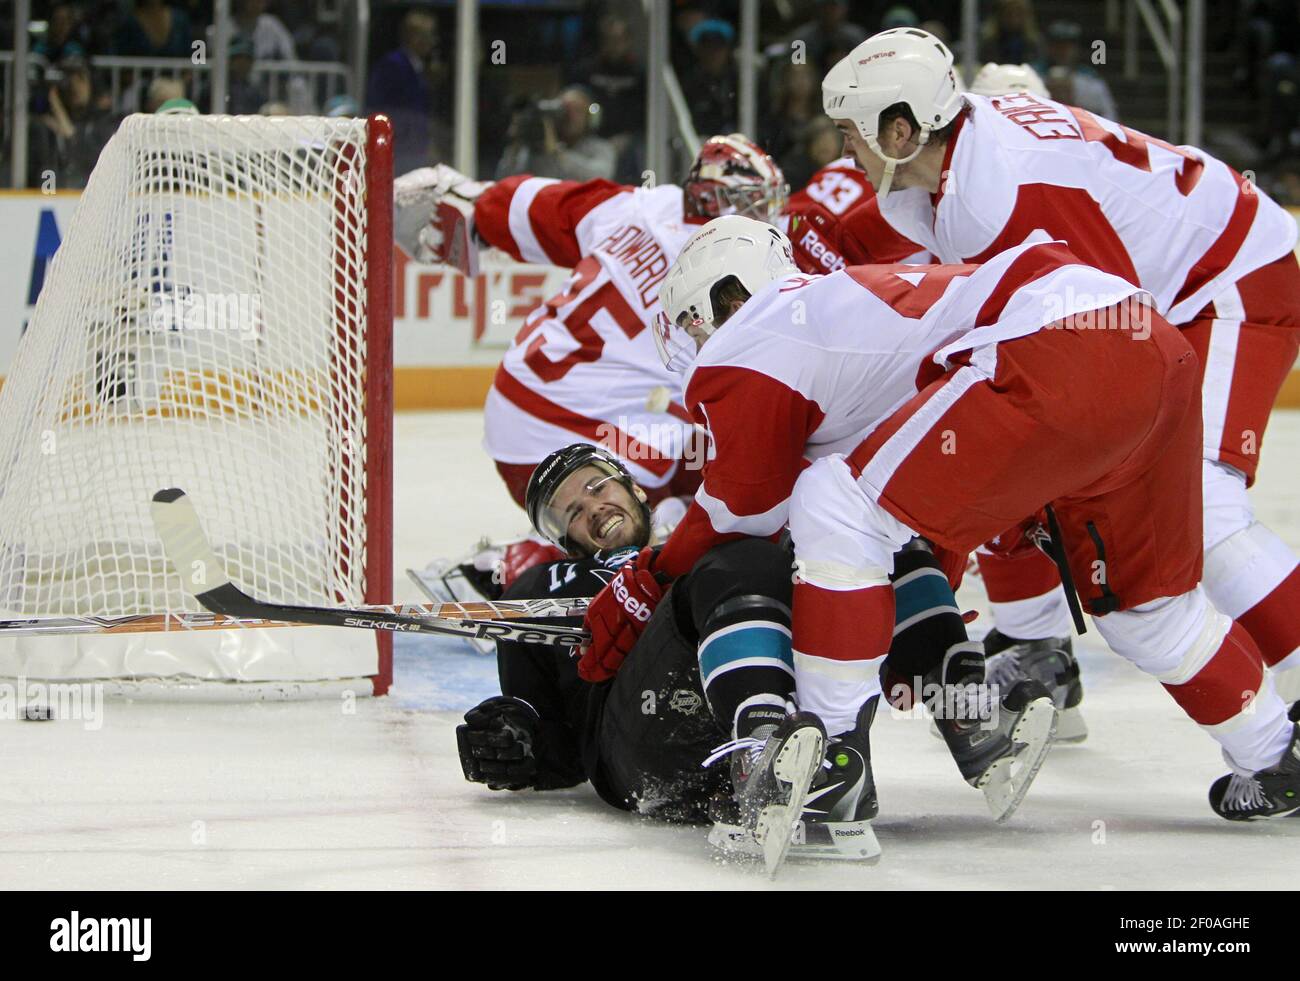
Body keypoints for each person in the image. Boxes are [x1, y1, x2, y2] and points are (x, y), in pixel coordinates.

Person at [581, 215, 1300, 822]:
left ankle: (831, 762)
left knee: (834, 503)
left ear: (725, 295)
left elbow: (742, 513)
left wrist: (650, 575)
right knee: (1146, 605)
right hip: (1144, 340)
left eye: (689, 320)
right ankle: (1273, 753)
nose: (692, 340)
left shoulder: (753, 334)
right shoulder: (836, 325)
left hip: (1051, 344)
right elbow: (923, 516)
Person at [821, 27, 1300, 735]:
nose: (843, 151)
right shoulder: (956, 163)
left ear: (899, 129)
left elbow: (1118, 336)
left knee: (1206, 506)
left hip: (1228, 282)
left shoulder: (1000, 193)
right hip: (1189, 283)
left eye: (850, 132)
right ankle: (1035, 641)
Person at [457, 443, 1053, 859]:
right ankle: (761, 752)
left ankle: (966, 714)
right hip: (642, 754)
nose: (593, 510)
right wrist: (518, 740)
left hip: (765, 720)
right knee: (738, 561)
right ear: (560, 539)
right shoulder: (538, 590)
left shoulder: (698, 530)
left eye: (596, 488)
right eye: (570, 513)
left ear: (633, 486)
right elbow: (555, 739)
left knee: (867, 543)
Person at [494, 87, 617, 184]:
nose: (570, 116)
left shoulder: (601, 148)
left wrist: (556, 152)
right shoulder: (536, 149)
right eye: (565, 109)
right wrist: (517, 143)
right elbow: (504, 180)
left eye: (577, 110)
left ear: (590, 117)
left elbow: (599, 177)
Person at [1041, 20, 1119, 121]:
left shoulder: (1091, 80)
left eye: (1067, 46)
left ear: (1076, 48)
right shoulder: (1032, 75)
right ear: (1049, 47)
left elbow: (1109, 115)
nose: (1062, 51)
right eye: (1058, 45)